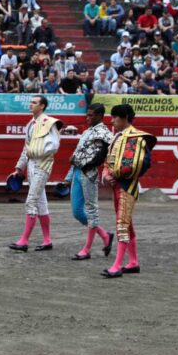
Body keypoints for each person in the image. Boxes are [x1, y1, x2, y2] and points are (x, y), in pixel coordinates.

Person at [100, 104, 157, 278]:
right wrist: (105, 174)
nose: (112, 121)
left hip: (127, 185)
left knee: (122, 224)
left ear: (124, 118)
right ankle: (133, 262)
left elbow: (143, 163)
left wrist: (118, 175)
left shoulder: (137, 137)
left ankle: (117, 265)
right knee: (126, 222)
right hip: (117, 184)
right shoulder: (117, 137)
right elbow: (108, 161)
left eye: (115, 118)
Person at [7, 95, 63, 252]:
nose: (31, 104)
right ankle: (47, 240)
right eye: (31, 102)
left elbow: (53, 146)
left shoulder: (49, 123)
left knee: (31, 201)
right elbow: (26, 148)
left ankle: (24, 241)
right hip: (32, 166)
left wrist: (36, 152)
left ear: (42, 106)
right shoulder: (30, 124)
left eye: (34, 102)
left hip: (42, 165)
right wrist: (19, 168)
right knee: (41, 204)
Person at [66, 103, 115, 260]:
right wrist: (68, 177)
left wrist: (89, 164)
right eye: (87, 115)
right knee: (77, 211)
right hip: (77, 173)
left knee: (92, 210)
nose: (88, 118)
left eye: (91, 115)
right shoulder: (87, 132)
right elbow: (76, 155)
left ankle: (86, 250)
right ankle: (105, 235)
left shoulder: (105, 133)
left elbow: (103, 155)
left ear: (100, 116)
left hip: (89, 174)